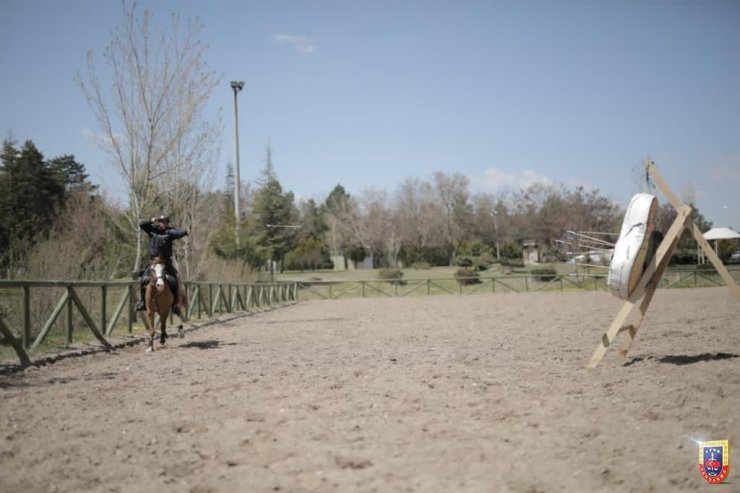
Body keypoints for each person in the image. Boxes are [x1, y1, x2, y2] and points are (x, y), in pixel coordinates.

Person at [134, 214, 188, 316]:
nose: (163, 224)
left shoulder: (170, 232)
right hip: (153, 263)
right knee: (144, 279)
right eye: (161, 222)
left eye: (165, 222)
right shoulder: (151, 230)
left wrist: (185, 231)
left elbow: (180, 232)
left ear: (167, 223)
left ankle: (175, 305)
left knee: (174, 280)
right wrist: (151, 219)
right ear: (158, 222)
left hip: (166, 264)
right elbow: (141, 224)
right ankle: (142, 302)